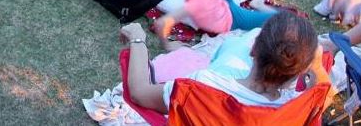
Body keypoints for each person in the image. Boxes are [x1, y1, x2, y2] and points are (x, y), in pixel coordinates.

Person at [124, 10, 331, 114]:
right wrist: (317, 66)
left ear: (252, 49)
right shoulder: (295, 108)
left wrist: (137, 37)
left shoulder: (201, 86)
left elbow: (140, 92)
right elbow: (323, 96)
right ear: (302, 69)